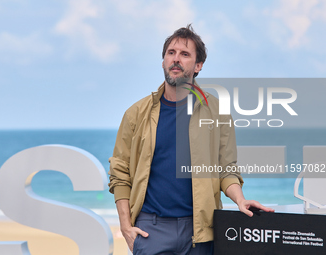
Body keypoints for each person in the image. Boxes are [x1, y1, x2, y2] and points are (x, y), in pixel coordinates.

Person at [108, 24, 274, 254]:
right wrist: (126, 227)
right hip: (151, 229)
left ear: (198, 66)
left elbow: (226, 169)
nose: (176, 59)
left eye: (185, 54)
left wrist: (240, 200)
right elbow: (120, 174)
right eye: (171, 53)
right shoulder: (136, 114)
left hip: (200, 231)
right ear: (164, 60)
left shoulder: (218, 112)